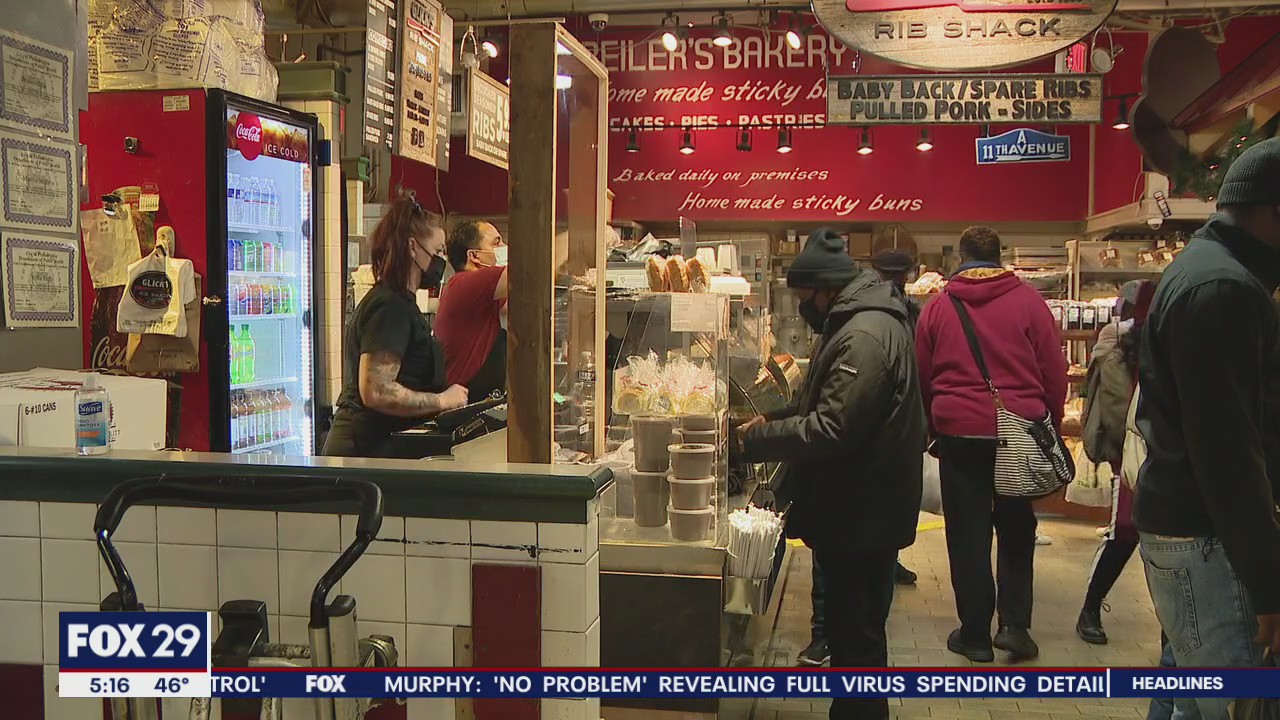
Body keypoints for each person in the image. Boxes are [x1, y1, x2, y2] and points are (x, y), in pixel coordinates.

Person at [737, 228, 924, 720]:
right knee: (853, 639)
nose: (802, 306)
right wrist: (773, 418)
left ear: (826, 288)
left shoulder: (863, 336)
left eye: (804, 296)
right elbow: (824, 404)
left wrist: (753, 440)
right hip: (862, 508)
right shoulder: (860, 321)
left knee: (857, 642)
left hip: (863, 515)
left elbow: (832, 427)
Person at [1134, 138, 1280, 718]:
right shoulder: (1225, 289)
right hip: (1210, 543)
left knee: (1191, 701)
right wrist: (1268, 583)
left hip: (1192, 533)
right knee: (1237, 702)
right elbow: (1228, 455)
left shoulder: (1209, 271)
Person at [915, 225, 1067, 663]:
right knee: (1017, 527)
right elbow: (1053, 370)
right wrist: (1049, 424)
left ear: (960, 258)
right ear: (999, 257)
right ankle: (1015, 627)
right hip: (1017, 430)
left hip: (959, 432)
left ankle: (975, 635)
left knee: (968, 533)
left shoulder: (939, 306)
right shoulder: (1029, 302)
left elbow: (923, 374)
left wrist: (933, 425)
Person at [322, 196, 468, 457]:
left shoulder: (401, 303)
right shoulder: (390, 308)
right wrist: (442, 400)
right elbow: (376, 391)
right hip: (363, 452)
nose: (442, 260)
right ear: (413, 247)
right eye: (438, 251)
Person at [1076, 280, 1155, 645]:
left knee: (1161, 538)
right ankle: (1090, 608)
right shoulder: (1121, 345)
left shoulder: (1167, 343)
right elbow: (1117, 408)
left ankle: (1171, 636)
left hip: (1164, 456)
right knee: (1124, 532)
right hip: (1134, 454)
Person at [435, 220, 509, 399]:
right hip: (462, 406)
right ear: (474, 256)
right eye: (496, 243)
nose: (504, 247)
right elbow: (527, 275)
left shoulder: (483, 295)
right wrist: (567, 240)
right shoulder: (467, 283)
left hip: (479, 401)